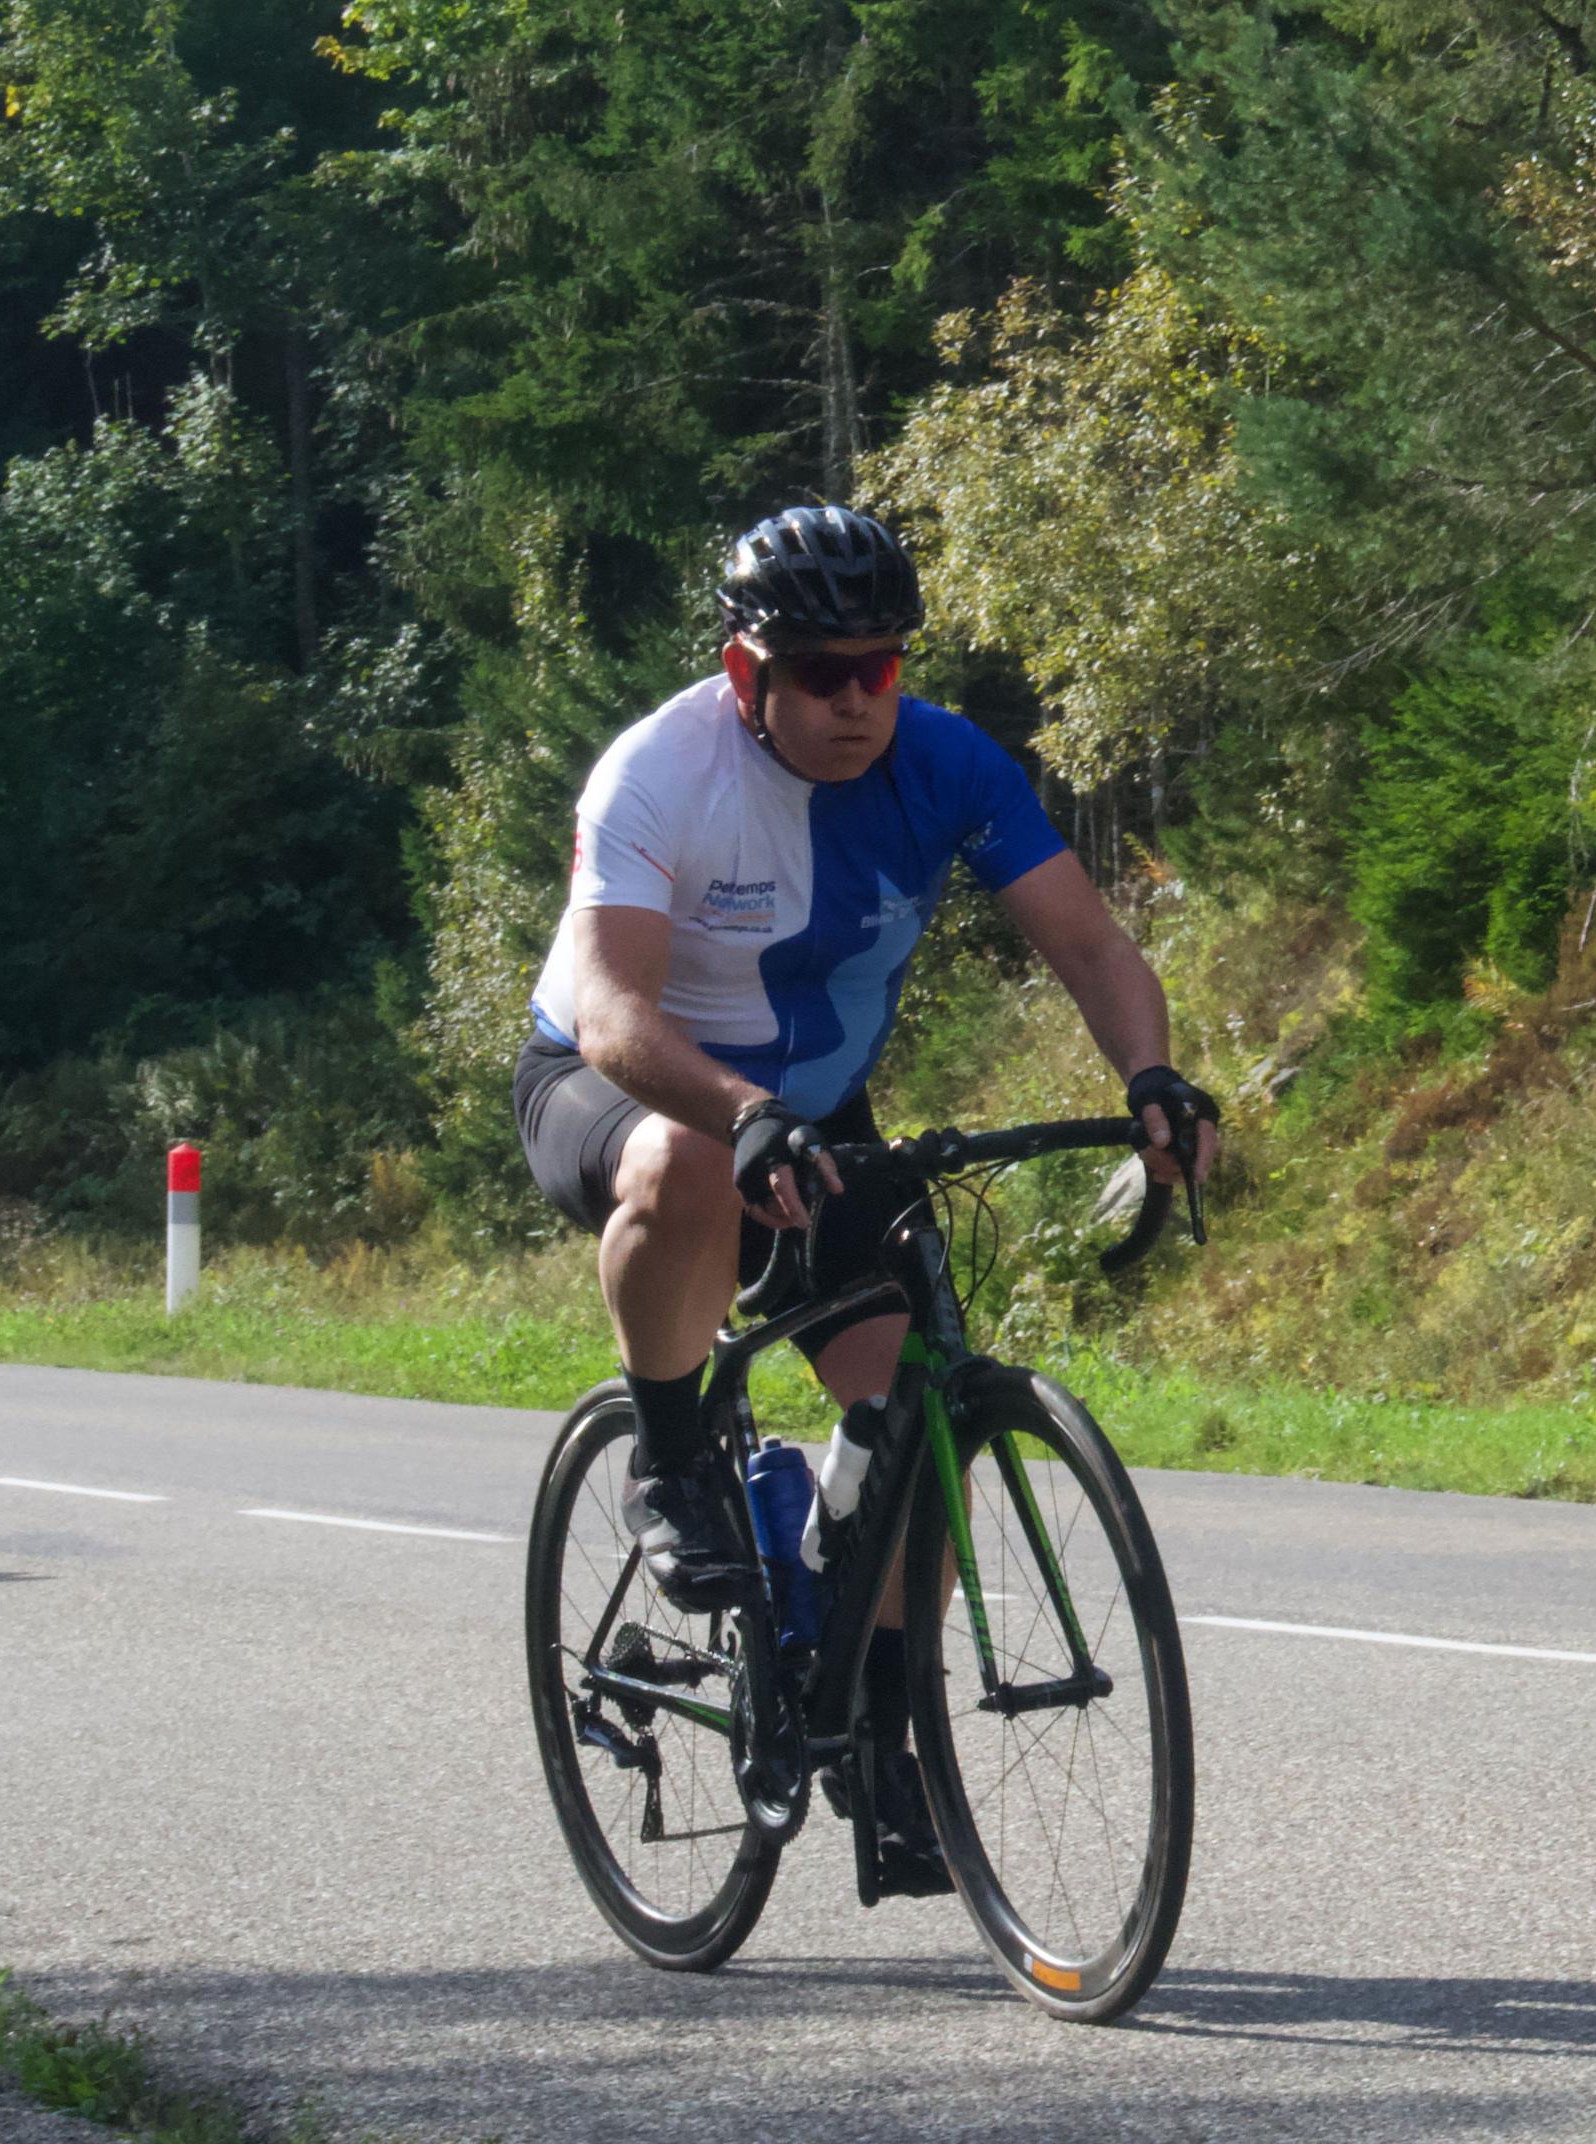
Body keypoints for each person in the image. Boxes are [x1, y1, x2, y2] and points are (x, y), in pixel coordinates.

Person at [513, 502, 1217, 1889]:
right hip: (629, 1088)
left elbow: (1087, 941)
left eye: (879, 668)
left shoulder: (947, 763)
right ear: (745, 673)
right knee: (690, 1162)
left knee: (912, 1409)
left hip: (813, 1113)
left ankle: (883, 1743)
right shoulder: (661, 772)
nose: (854, 700)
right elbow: (607, 1011)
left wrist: (1153, 1077)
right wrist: (739, 1110)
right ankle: (672, 1460)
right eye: (822, 672)